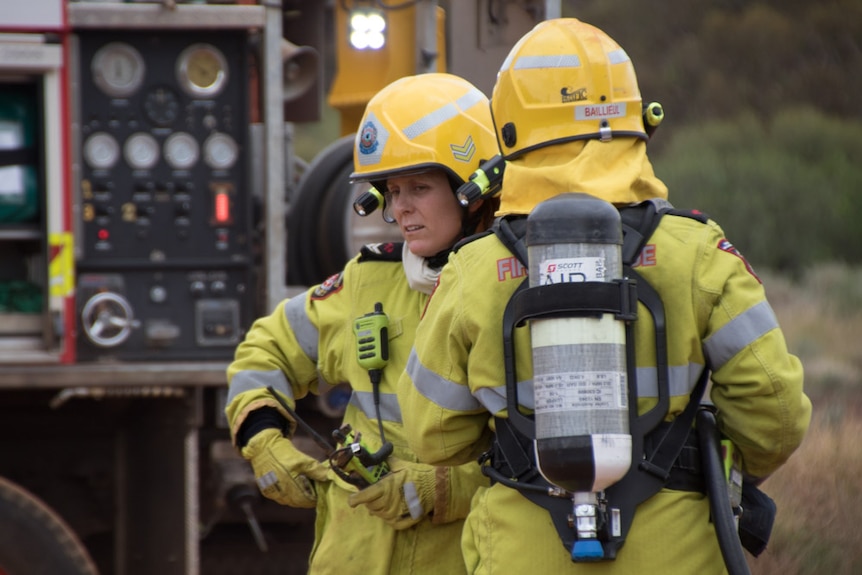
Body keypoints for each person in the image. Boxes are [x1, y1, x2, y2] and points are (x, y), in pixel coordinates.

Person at [397, 18, 812, 574]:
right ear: (634, 119)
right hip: (676, 554)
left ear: (511, 133)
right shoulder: (696, 252)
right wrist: (704, 468)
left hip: (522, 553)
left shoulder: (471, 270)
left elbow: (432, 434)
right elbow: (776, 415)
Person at [224, 73, 499, 574]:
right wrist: (263, 440)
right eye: (392, 191)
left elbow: (555, 461)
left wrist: (447, 490)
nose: (401, 208)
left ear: (475, 190)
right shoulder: (369, 281)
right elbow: (266, 351)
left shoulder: (512, 292)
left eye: (420, 187)